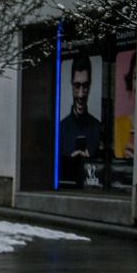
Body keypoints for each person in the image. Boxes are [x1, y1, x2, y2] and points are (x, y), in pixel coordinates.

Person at [59, 54, 103, 186]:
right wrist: (70, 160)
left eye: (85, 86)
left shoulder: (97, 127)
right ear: (71, 85)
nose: (81, 94)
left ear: (90, 86)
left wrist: (91, 159)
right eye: (77, 86)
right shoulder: (61, 127)